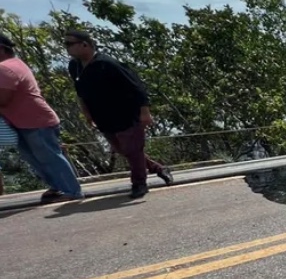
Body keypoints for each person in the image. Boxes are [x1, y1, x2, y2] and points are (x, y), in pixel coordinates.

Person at [64, 29, 172, 199]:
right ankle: (158, 168)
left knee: (134, 150)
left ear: (85, 44)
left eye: (69, 44)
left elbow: (136, 87)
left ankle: (139, 183)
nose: (67, 48)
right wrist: (87, 114)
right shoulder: (75, 67)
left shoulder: (107, 64)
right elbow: (81, 93)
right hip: (103, 117)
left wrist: (145, 112)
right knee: (123, 150)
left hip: (126, 114)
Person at [0, 32, 85, 203]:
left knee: (50, 157)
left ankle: (72, 191)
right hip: (24, 122)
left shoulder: (5, 68)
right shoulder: (16, 64)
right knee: (35, 159)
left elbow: (3, 98)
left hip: (35, 121)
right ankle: (57, 187)